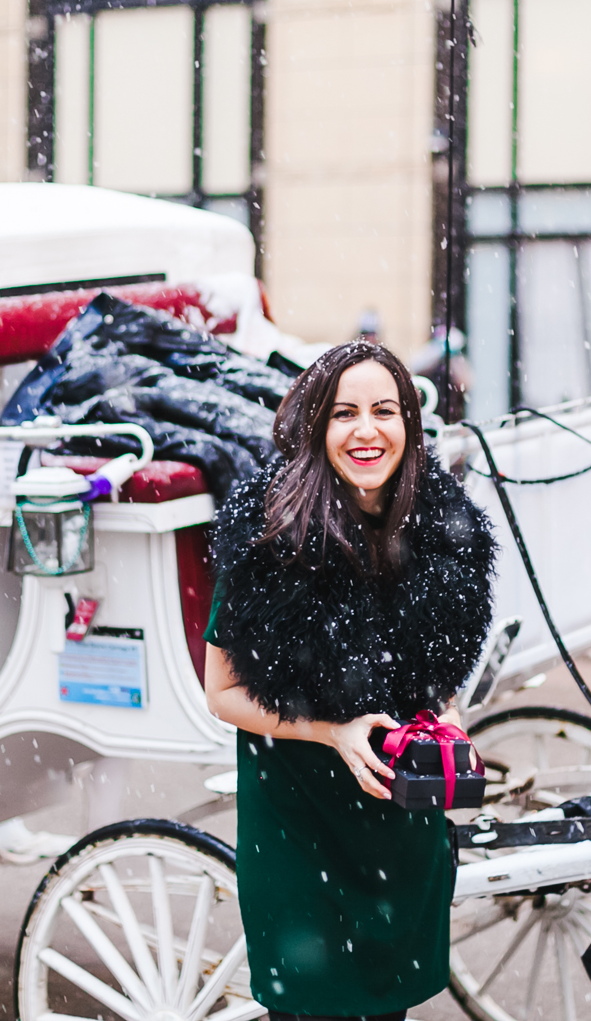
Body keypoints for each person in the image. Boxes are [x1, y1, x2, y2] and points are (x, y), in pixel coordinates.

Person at [202, 341, 497, 1021]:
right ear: (317, 428)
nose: (367, 431)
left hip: (399, 834)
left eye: (384, 411)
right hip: (299, 832)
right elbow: (220, 693)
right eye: (345, 414)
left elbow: (437, 672)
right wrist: (332, 732)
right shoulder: (266, 536)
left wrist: (447, 720)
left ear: (409, 425)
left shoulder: (442, 533)